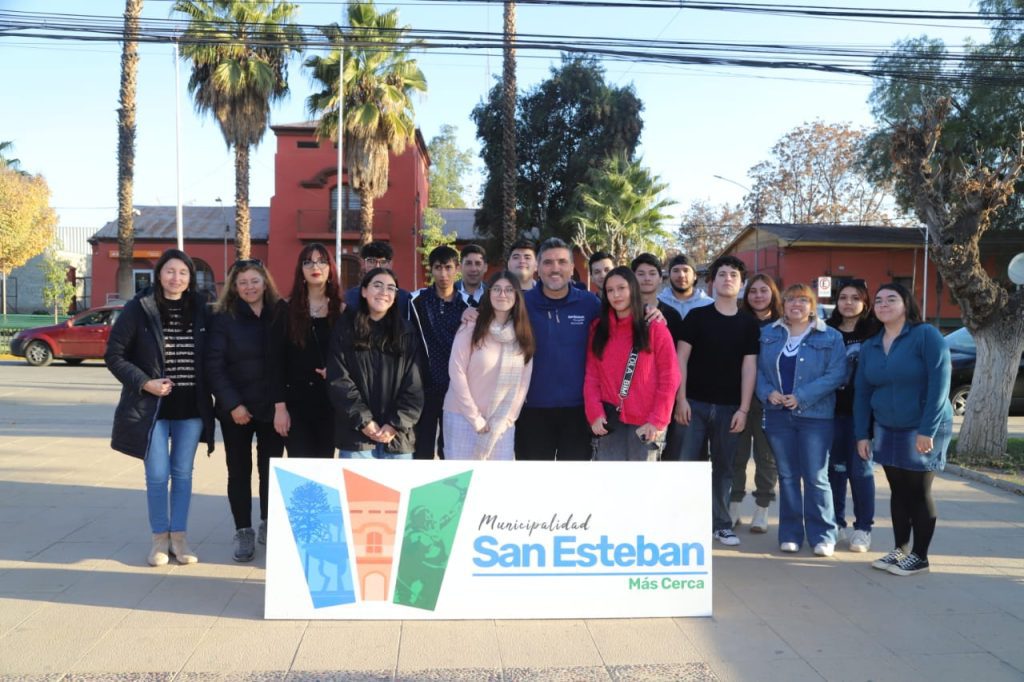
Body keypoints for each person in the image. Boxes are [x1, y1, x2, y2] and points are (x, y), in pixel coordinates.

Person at [105, 249, 214, 567]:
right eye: (170, 271)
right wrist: (145, 383)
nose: (176, 278)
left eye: (183, 272)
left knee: (182, 474)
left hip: (190, 407)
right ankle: (158, 540)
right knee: (156, 475)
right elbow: (114, 355)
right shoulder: (139, 307)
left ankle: (179, 538)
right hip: (150, 408)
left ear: (190, 278)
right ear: (159, 274)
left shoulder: (202, 308)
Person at [855, 282, 952, 577]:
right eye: (879, 300)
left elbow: (940, 383)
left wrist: (927, 429)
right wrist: (862, 433)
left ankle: (920, 557)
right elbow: (862, 392)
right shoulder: (871, 345)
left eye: (891, 299)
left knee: (918, 491)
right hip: (887, 426)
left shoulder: (925, 335)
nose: (883, 304)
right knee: (898, 490)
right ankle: (900, 550)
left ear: (906, 304)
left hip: (922, 426)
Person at [675, 255, 761, 546]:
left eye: (733, 275)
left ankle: (722, 524)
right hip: (693, 405)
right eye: (722, 274)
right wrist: (681, 399)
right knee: (687, 465)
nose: (727, 279)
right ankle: (683, 523)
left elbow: (749, 368)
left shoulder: (749, 324)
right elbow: (681, 359)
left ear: (741, 283)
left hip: (730, 408)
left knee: (724, 469)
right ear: (712, 282)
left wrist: (744, 409)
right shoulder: (696, 317)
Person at [757, 283, 847, 556]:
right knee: (787, 477)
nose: (796, 304)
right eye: (790, 299)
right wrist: (767, 392)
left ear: (812, 306)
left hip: (815, 417)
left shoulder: (830, 336)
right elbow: (757, 371)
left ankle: (823, 535)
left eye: (803, 300)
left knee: (816, 477)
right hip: (778, 417)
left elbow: (836, 374)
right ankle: (790, 534)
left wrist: (802, 396)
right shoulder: (768, 334)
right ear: (782, 305)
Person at [206, 258, 283, 562]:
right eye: (243, 283)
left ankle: (268, 522)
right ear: (234, 288)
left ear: (265, 282)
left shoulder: (279, 313)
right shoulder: (223, 318)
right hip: (236, 409)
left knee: (270, 469)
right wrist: (233, 404)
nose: (249, 287)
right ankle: (243, 530)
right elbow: (214, 366)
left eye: (254, 281)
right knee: (239, 471)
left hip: (272, 407)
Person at [515, 237, 602, 460]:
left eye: (562, 262)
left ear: (572, 268)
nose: (555, 268)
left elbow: (622, 324)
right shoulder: (521, 304)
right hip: (531, 409)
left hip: (578, 411)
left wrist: (651, 312)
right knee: (533, 478)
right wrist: (472, 314)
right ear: (537, 268)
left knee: (572, 479)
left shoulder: (590, 304)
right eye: (548, 262)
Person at [327, 268, 425, 459]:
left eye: (391, 288)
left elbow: (415, 385)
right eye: (377, 285)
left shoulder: (406, 332)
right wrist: (364, 421)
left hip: (397, 439)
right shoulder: (346, 330)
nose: (384, 292)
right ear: (364, 291)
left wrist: (395, 424)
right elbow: (339, 380)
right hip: (357, 438)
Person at [585, 267, 680, 461]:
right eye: (610, 290)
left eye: (621, 288)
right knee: (609, 478)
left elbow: (670, 377)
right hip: (609, 420)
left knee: (642, 479)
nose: (616, 295)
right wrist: (594, 412)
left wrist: (658, 419)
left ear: (633, 289)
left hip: (646, 422)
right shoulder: (598, 329)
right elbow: (592, 376)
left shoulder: (654, 327)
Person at [443, 271, 535, 460]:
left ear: (517, 295)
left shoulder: (522, 335)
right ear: (488, 293)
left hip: (501, 423)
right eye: (497, 289)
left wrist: (508, 419)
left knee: (496, 478)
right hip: (462, 417)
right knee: (461, 477)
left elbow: (522, 385)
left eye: (509, 290)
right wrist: (475, 418)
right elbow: (456, 372)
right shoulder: (471, 326)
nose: (502, 294)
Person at [272, 243, 344, 459]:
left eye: (322, 261)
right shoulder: (285, 309)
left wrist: (336, 371)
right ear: (300, 270)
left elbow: (351, 358)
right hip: (295, 405)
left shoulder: (342, 311)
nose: (315, 267)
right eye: (308, 262)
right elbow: (275, 362)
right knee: (300, 465)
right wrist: (280, 409)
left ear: (330, 268)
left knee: (323, 466)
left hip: (329, 404)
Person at [826, 279, 881, 552]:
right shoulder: (826, 330)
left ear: (865, 302)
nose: (848, 303)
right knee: (834, 471)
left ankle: (863, 528)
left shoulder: (875, 331)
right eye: (843, 297)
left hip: (863, 416)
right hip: (830, 413)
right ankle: (837, 523)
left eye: (855, 298)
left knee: (861, 472)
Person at [730, 273, 782, 532]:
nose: (758, 296)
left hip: (770, 401)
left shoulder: (783, 325)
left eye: (764, 290)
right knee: (735, 455)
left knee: (766, 457)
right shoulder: (738, 321)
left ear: (773, 293)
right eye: (753, 291)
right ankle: (733, 506)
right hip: (737, 398)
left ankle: (762, 509)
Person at [410, 246, 468, 459]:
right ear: (431, 269)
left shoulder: (468, 305)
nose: (443, 274)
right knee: (422, 449)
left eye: (448, 267)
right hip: (424, 387)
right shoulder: (416, 301)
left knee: (450, 450)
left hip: (455, 388)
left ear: (457, 269)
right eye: (438, 268)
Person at [343, 241, 412, 318]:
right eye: (372, 261)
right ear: (363, 263)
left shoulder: (404, 298)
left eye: (383, 262)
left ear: (390, 264)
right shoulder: (350, 296)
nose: (377, 266)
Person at [657, 253, 713, 320]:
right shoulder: (658, 302)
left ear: (695, 276)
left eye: (686, 270)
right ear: (669, 276)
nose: (681, 275)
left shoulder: (709, 304)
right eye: (676, 271)